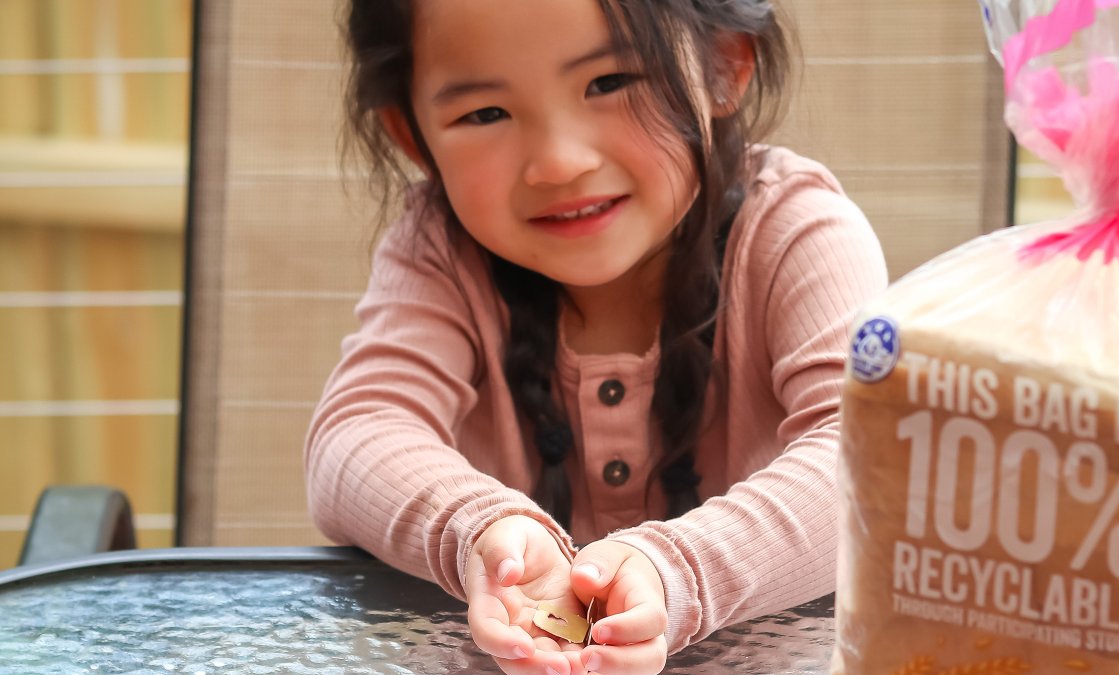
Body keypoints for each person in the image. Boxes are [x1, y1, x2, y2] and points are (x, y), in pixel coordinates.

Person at [305, 0, 887, 673]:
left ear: (724, 65)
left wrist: (674, 570)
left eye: (609, 83)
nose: (558, 162)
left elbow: (867, 463)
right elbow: (357, 431)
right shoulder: (439, 250)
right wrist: (485, 528)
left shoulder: (798, 232)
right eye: (485, 113)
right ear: (414, 137)